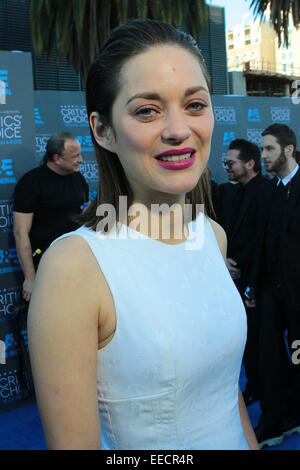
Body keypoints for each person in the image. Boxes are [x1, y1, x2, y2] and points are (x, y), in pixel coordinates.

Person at [27, 19, 258, 450]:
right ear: (102, 130)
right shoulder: (74, 267)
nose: (176, 129)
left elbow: (226, 394)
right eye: (147, 111)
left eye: (194, 104)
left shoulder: (212, 236)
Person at [253, 124, 300, 448]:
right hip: (271, 289)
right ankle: (273, 421)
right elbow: (261, 241)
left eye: (269, 149)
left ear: (288, 149)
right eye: (262, 150)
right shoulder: (267, 190)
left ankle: (295, 413)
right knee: (268, 357)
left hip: (299, 293)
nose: (263, 156)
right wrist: (253, 286)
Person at [217, 139, 272, 407]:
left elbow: (262, 238)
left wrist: (244, 270)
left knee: (264, 343)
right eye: (225, 163)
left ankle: (269, 391)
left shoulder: (267, 191)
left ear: (250, 164)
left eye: (231, 163)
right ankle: (254, 385)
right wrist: (224, 258)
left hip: (258, 280)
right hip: (235, 278)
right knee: (246, 341)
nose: (226, 167)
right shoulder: (231, 192)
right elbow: (226, 231)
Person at [13, 132, 89, 301]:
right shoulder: (31, 182)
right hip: (47, 263)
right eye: (75, 156)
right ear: (57, 158)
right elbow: (20, 232)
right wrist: (30, 278)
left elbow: (84, 210)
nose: (81, 160)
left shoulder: (78, 178)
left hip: (78, 261)